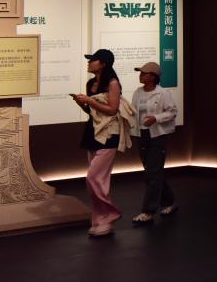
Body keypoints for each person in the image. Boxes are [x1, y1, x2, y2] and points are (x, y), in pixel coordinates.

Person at [72, 49, 135, 237]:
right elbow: (93, 112)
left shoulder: (113, 83)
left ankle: (110, 215)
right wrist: (82, 103)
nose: (89, 62)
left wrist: (89, 101)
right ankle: (100, 222)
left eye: (93, 60)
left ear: (103, 64)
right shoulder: (91, 83)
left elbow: (112, 110)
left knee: (94, 178)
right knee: (99, 180)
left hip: (108, 134)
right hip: (92, 132)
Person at [129, 62, 178, 226]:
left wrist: (155, 118)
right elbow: (133, 111)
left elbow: (172, 112)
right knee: (153, 172)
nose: (141, 75)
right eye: (140, 73)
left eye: (144, 73)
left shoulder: (163, 93)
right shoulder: (138, 92)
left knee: (153, 173)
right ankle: (169, 202)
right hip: (142, 134)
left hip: (158, 135)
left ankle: (148, 211)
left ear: (153, 76)